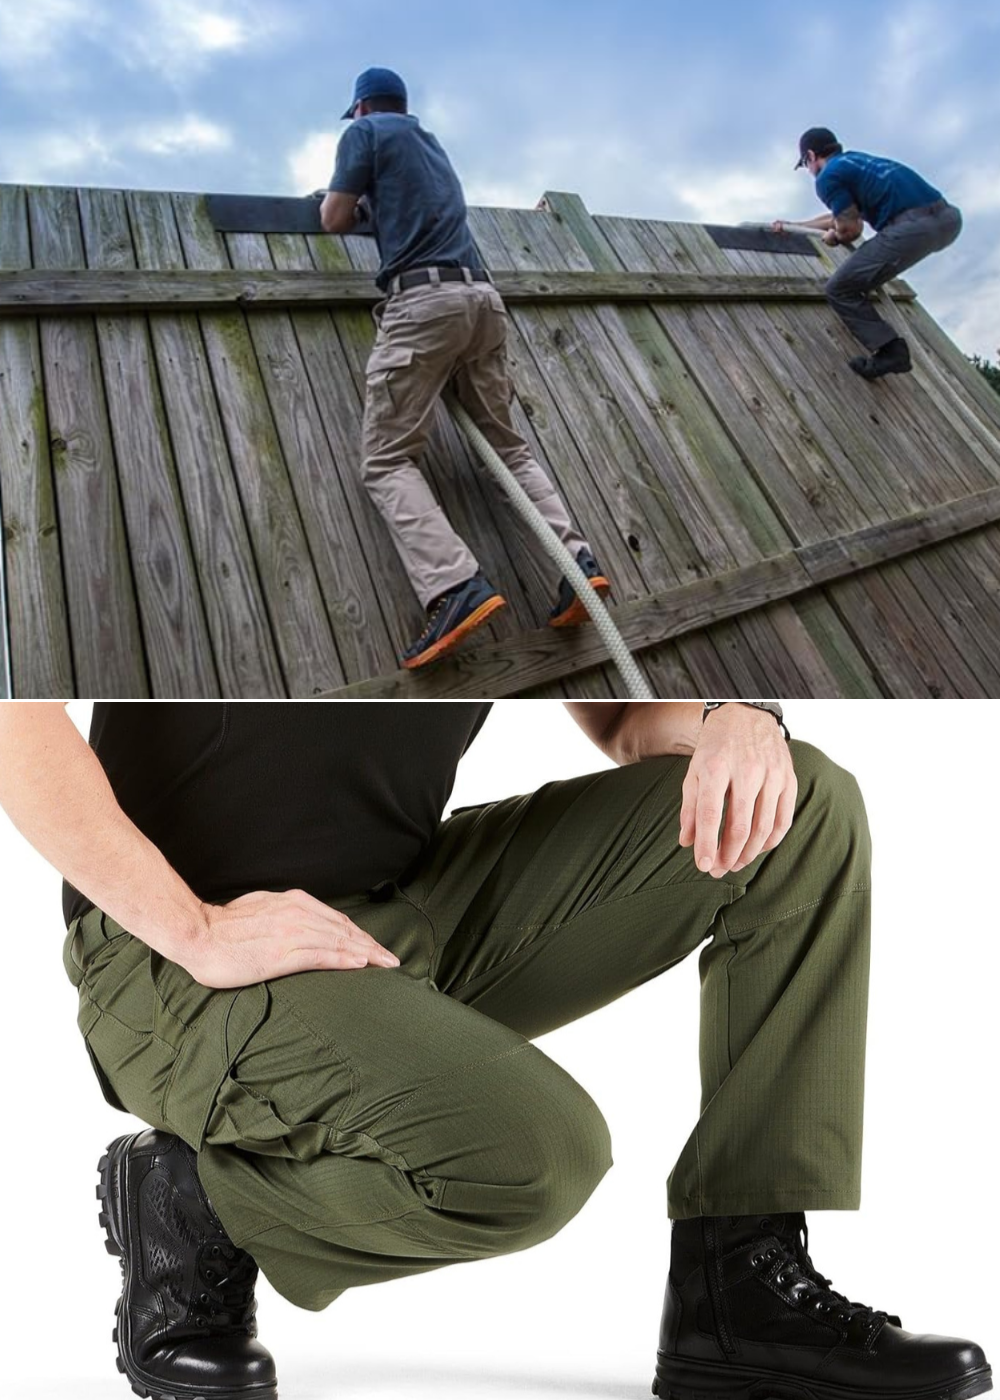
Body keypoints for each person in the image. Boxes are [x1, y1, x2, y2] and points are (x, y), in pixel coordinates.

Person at [1, 700, 993, 1400]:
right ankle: (196, 1209)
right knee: (536, 1156)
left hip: (392, 910)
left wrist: (735, 716)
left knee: (796, 806)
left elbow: (619, 720)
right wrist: (193, 925)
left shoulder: (504, 516)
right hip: (174, 951)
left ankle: (739, 1295)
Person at [319, 67, 611, 669]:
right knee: (511, 448)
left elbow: (333, 218)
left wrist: (346, 198)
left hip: (424, 304)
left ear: (364, 107)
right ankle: (577, 563)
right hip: (483, 301)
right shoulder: (431, 147)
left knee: (386, 460)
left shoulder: (367, 133)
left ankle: (453, 586)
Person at [773, 128, 963, 382]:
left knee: (840, 288)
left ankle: (890, 350)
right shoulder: (857, 163)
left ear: (811, 155)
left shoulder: (827, 177)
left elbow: (850, 229)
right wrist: (794, 225)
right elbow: (839, 217)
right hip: (947, 218)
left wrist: (836, 237)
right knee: (863, 272)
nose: (809, 170)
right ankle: (889, 348)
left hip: (912, 227)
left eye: (806, 164)